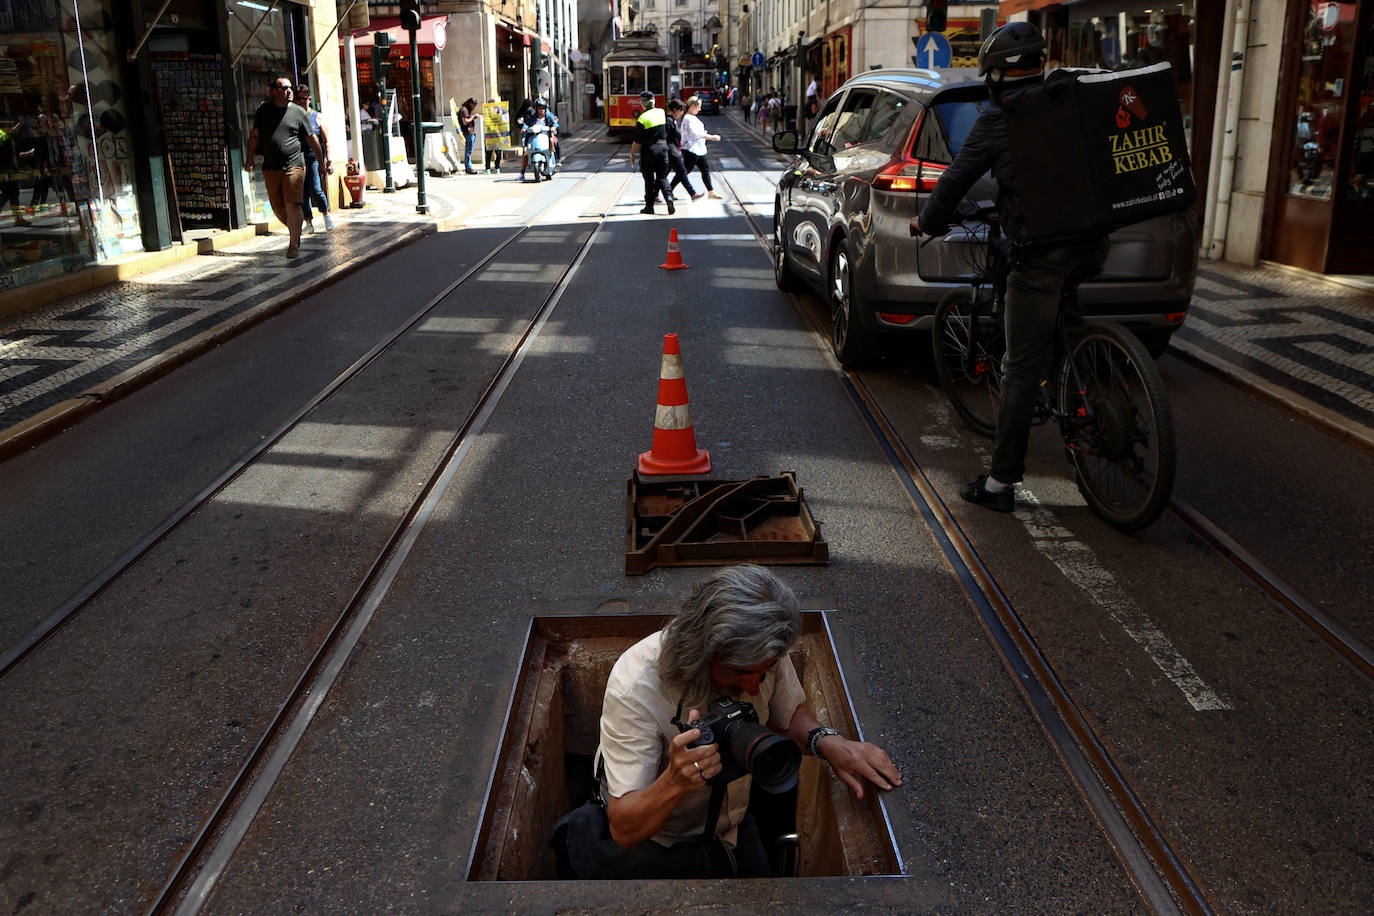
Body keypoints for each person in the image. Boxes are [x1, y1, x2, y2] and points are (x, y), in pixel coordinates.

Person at [550, 565, 901, 879]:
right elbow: (624, 828)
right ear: (703, 652)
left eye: (764, 675)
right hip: (654, 840)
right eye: (739, 674)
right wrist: (674, 780)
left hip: (729, 824)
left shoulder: (760, 654)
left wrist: (827, 741)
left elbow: (788, 715)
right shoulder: (636, 686)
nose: (752, 687)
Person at [910, 22, 1109, 514]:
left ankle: (1000, 484)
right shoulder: (1074, 101)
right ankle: (1083, 385)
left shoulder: (998, 119)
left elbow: (956, 181)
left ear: (996, 75)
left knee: (1020, 365)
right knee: (1066, 317)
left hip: (1038, 252)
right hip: (1091, 241)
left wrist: (926, 221)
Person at [244, 76, 326, 259]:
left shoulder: (298, 112)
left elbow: (312, 139)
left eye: (290, 88)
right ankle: (295, 229)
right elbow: (255, 136)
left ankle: (294, 243)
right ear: (272, 91)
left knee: (292, 203)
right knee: (278, 208)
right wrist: (249, 158)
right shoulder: (263, 111)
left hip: (294, 164)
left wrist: (321, 162)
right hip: (271, 167)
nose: (289, 91)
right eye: (284, 88)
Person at [293, 84, 334, 233]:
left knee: (316, 189)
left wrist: (328, 161)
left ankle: (326, 214)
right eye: (298, 99)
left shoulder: (317, 117)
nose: (302, 102)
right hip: (297, 160)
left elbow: (326, 141)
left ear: (309, 99)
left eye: (304, 99)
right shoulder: (293, 117)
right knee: (302, 193)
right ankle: (308, 222)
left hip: (313, 158)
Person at [629, 90, 673, 215]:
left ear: (643, 104)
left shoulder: (642, 118)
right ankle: (669, 198)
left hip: (648, 151)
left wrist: (632, 155)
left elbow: (636, 141)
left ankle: (649, 207)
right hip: (663, 149)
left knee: (649, 180)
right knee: (662, 177)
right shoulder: (661, 113)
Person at [671, 96, 720, 199]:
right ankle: (669, 190)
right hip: (690, 149)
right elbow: (695, 134)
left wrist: (704, 134)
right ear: (693, 106)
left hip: (699, 149)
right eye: (699, 107)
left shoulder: (692, 117)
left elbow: (697, 133)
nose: (700, 109)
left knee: (705, 169)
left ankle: (711, 192)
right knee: (684, 172)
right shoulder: (688, 118)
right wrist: (712, 137)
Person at [663, 99, 701, 201]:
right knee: (682, 172)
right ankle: (692, 193)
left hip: (673, 151)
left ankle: (656, 195)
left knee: (663, 175)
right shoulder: (669, 121)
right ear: (675, 110)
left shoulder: (672, 120)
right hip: (672, 151)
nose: (682, 113)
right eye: (681, 110)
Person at [520, 98, 559, 180]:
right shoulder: (533, 117)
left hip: (546, 137)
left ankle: (551, 155)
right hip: (534, 138)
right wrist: (524, 128)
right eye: (539, 108)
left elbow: (555, 123)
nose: (541, 110)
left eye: (543, 108)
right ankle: (522, 173)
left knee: (552, 140)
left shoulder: (549, 116)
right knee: (526, 153)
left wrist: (553, 127)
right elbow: (526, 124)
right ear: (536, 109)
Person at [458, 97, 479, 174]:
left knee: (470, 149)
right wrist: (473, 117)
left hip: (471, 132)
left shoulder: (467, 110)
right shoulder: (464, 110)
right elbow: (465, 122)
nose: (474, 107)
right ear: (470, 104)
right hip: (468, 132)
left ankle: (469, 166)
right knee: (468, 150)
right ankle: (468, 167)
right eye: (474, 105)